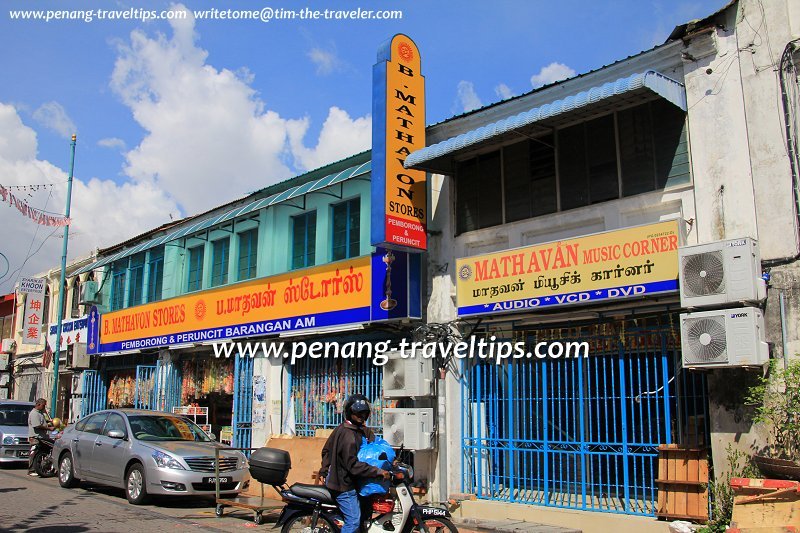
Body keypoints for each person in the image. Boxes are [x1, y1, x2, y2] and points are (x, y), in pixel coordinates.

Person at [319, 394, 390, 533]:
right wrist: (378, 471)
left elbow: (326, 450)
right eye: (358, 413)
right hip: (344, 486)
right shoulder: (349, 436)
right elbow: (353, 466)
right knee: (353, 521)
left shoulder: (348, 429)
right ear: (350, 413)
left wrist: (324, 469)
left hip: (340, 480)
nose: (361, 416)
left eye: (364, 413)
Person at [28, 398, 54, 476]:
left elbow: (46, 421)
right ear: (38, 404)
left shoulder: (40, 413)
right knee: (34, 453)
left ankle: (42, 468)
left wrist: (50, 421)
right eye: (43, 405)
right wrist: (49, 428)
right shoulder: (34, 413)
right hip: (36, 437)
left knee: (43, 451)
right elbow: (37, 426)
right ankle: (31, 470)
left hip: (42, 437)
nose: (44, 407)